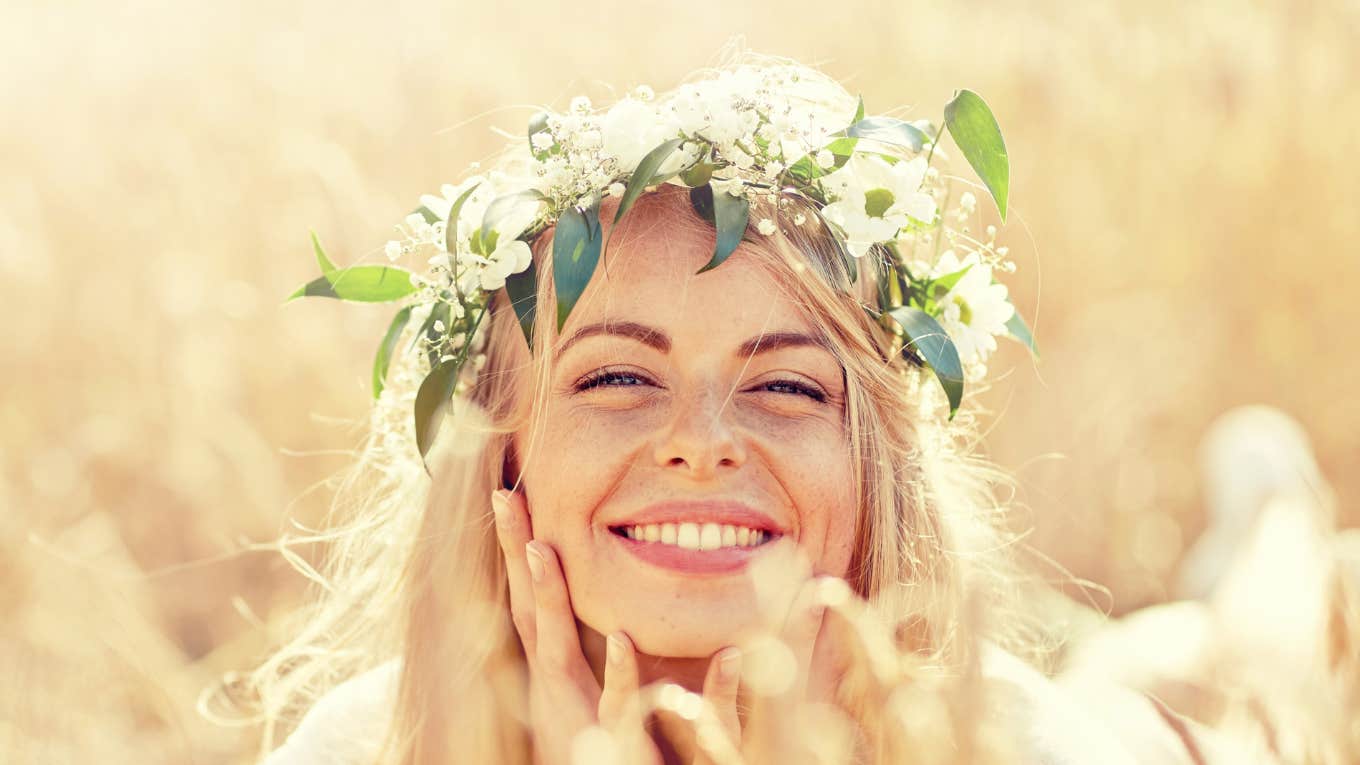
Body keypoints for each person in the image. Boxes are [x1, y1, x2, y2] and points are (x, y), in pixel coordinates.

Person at [231, 51, 1219, 764]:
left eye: (786, 386)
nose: (700, 445)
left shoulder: (1021, 746)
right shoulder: (369, 747)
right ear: (501, 454)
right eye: (615, 379)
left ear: (878, 462)